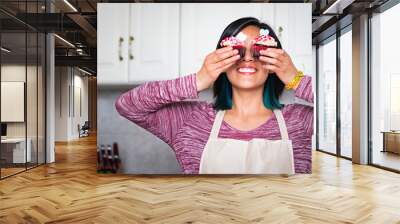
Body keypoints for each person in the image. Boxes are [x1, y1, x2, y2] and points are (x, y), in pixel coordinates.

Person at [115, 17, 313, 174]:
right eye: (237, 51)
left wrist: (295, 78)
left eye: (259, 52)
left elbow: (339, 107)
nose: (247, 59)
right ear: (223, 61)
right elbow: (127, 105)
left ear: (272, 65)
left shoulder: (302, 121)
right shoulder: (190, 121)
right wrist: (199, 79)